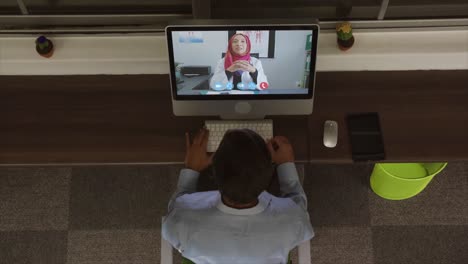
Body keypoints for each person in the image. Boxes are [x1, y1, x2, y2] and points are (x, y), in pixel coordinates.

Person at [162, 128, 314, 264]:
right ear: (269, 174)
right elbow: (299, 205)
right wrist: (286, 163)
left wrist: (192, 168)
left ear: (213, 172)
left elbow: (176, 207)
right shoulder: (293, 223)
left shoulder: (181, 222)